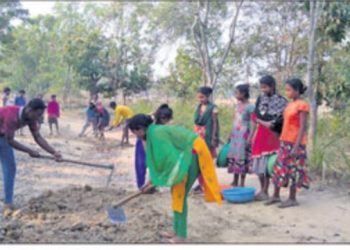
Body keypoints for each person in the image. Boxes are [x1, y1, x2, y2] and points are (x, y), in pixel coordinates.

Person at [128, 114, 222, 243]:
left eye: (134, 132)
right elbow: (159, 162)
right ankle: (176, 230)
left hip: (194, 153)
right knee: (176, 193)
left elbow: (169, 160)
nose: (136, 136)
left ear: (139, 128)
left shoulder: (156, 134)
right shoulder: (153, 132)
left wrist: (156, 182)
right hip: (187, 153)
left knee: (180, 195)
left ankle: (181, 236)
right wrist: (151, 181)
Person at [0, 98, 62, 214]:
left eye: (40, 115)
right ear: (29, 109)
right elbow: (11, 141)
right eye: (37, 114)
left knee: (10, 167)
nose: (38, 118)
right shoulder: (11, 115)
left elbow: (38, 137)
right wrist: (29, 151)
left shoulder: (31, 119)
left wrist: (54, 152)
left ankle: (8, 202)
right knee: (8, 163)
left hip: (2, 136)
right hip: (4, 137)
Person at [262, 78, 310, 208]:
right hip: (285, 140)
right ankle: (276, 196)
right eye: (286, 90)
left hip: (296, 143)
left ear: (297, 90)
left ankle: (292, 198)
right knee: (279, 168)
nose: (287, 92)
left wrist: (296, 146)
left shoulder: (302, 105)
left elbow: (302, 127)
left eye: (289, 90)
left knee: (293, 170)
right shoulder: (289, 105)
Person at [252, 75, 288, 201]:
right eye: (261, 87)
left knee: (271, 164)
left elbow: (281, 120)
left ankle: (274, 193)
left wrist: (266, 123)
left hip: (274, 136)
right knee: (260, 166)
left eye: (265, 87)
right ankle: (263, 190)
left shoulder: (281, 101)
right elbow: (256, 117)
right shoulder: (260, 99)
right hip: (261, 135)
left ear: (272, 86)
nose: (263, 90)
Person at [135, 104, 173, 192]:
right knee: (141, 164)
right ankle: (141, 186)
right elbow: (144, 139)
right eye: (166, 120)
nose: (167, 122)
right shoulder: (150, 121)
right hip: (142, 141)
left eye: (168, 120)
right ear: (161, 118)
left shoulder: (162, 123)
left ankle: (152, 185)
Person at [227, 83, 255, 187]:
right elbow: (235, 120)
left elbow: (253, 123)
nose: (235, 95)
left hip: (244, 134)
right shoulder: (238, 105)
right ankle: (235, 180)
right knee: (235, 157)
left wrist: (250, 137)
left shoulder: (251, 107)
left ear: (243, 94)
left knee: (242, 157)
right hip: (235, 135)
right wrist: (230, 133)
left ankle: (242, 183)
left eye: (237, 93)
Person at [193, 86, 219, 193]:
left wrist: (214, 137)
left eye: (202, 97)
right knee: (198, 162)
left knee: (206, 162)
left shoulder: (213, 108)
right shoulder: (198, 107)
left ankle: (207, 184)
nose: (200, 99)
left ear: (207, 96)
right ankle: (201, 184)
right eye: (199, 97)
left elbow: (215, 123)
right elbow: (196, 122)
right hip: (198, 137)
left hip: (207, 137)